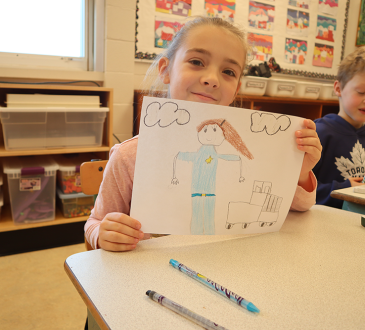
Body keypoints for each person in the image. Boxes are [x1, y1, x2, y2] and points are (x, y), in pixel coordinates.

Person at [85, 17, 321, 251]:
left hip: (230, 264)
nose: (211, 79)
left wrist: (300, 172)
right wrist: (103, 234)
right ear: (166, 71)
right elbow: (94, 223)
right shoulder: (129, 156)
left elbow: (300, 207)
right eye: (197, 61)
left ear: (236, 88)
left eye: (228, 71)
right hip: (153, 276)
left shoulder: (256, 152)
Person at [313, 46, 365, 208]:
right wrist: (344, 189)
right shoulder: (318, 133)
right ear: (338, 88)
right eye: (361, 92)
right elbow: (297, 190)